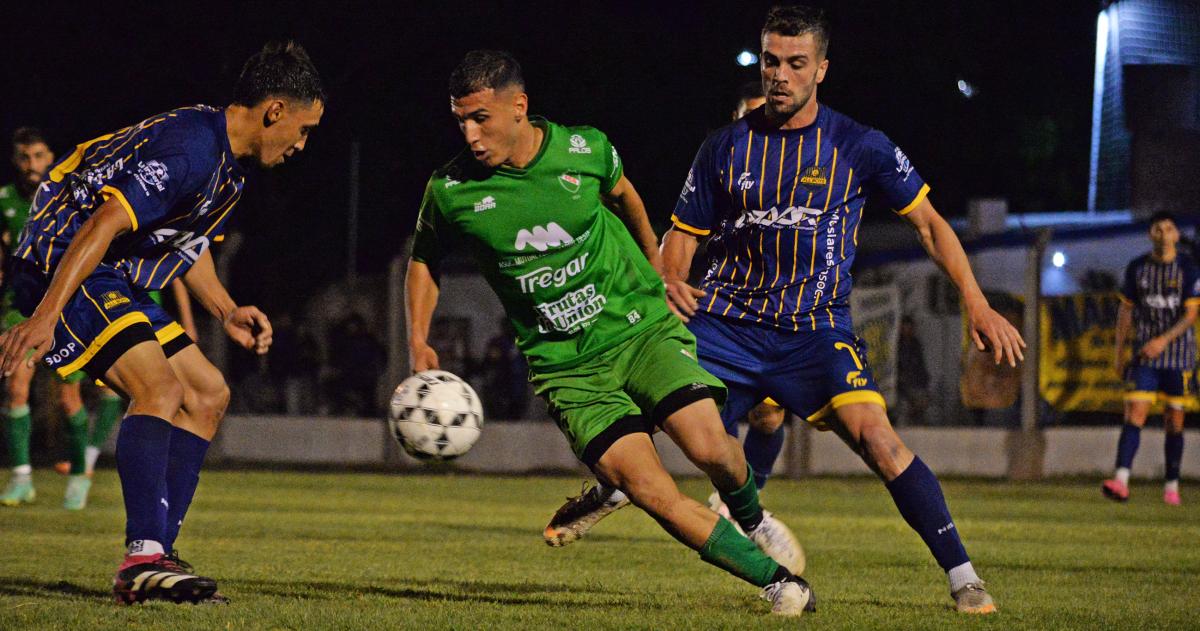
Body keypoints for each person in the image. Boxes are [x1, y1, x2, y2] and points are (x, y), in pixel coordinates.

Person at [552, 5, 1027, 615]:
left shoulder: (860, 145)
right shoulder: (724, 148)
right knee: (643, 413)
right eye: (771, 61)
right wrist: (669, 279)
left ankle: (964, 578)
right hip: (725, 324)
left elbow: (932, 227)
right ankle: (615, 486)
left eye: (795, 64)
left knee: (880, 441)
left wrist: (977, 304)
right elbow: (684, 237)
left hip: (814, 331)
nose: (779, 75)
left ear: (821, 69)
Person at [406, 50, 813, 616]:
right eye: (460, 121)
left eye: (481, 118)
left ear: (519, 108)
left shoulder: (584, 149)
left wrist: (658, 269)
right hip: (567, 370)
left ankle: (752, 517)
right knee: (652, 492)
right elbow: (422, 261)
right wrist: (418, 339)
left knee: (710, 447)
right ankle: (781, 585)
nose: (470, 134)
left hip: (637, 329)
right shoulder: (451, 190)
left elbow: (626, 197)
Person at [0, 40, 324, 604]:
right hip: (61, 258)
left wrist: (225, 309)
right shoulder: (193, 147)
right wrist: (46, 315)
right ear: (275, 110)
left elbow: (182, 241)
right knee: (159, 388)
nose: (301, 144)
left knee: (206, 393)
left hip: (109, 270)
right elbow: (103, 221)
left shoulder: (230, 170)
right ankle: (143, 556)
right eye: (303, 129)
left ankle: (157, 559)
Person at [0, 126, 118, 510]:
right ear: (15, 159)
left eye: (38, 156)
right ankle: (21, 477)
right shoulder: (5, 201)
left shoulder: (70, 198)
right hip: (20, 305)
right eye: (24, 157)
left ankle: (79, 476)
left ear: (51, 157)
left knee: (69, 396)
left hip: (65, 306)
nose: (31, 164)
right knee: (16, 387)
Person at [1103, 212, 1197, 505]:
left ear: (1176, 235)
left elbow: (1191, 314)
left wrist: (1163, 340)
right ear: (1150, 235)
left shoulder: (1188, 268)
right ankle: (1121, 480)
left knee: (1174, 420)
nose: (1163, 233)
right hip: (1144, 355)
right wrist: (1119, 353)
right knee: (1135, 413)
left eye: (1169, 228)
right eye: (1158, 228)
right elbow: (1126, 312)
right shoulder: (1137, 268)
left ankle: (1171, 485)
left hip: (1179, 356)